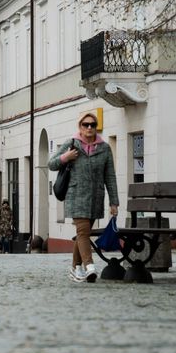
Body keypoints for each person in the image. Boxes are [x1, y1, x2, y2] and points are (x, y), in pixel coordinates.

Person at [50, 111, 119, 283]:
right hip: (76, 196)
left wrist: (114, 202)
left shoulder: (104, 148)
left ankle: (75, 267)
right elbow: (51, 164)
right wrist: (66, 157)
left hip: (95, 197)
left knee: (83, 234)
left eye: (92, 125)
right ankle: (90, 266)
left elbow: (110, 176)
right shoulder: (72, 144)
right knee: (82, 231)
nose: (89, 127)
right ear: (80, 127)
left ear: (96, 127)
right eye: (85, 124)